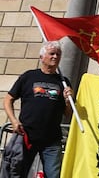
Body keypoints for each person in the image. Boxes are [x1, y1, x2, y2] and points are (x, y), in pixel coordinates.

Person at [3, 41, 73, 178]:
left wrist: (68, 100)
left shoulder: (64, 82)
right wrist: (13, 121)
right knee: (17, 172)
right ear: (42, 57)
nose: (55, 57)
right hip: (26, 136)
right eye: (51, 53)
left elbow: (68, 114)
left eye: (58, 54)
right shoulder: (28, 76)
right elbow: (8, 99)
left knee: (53, 175)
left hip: (52, 140)